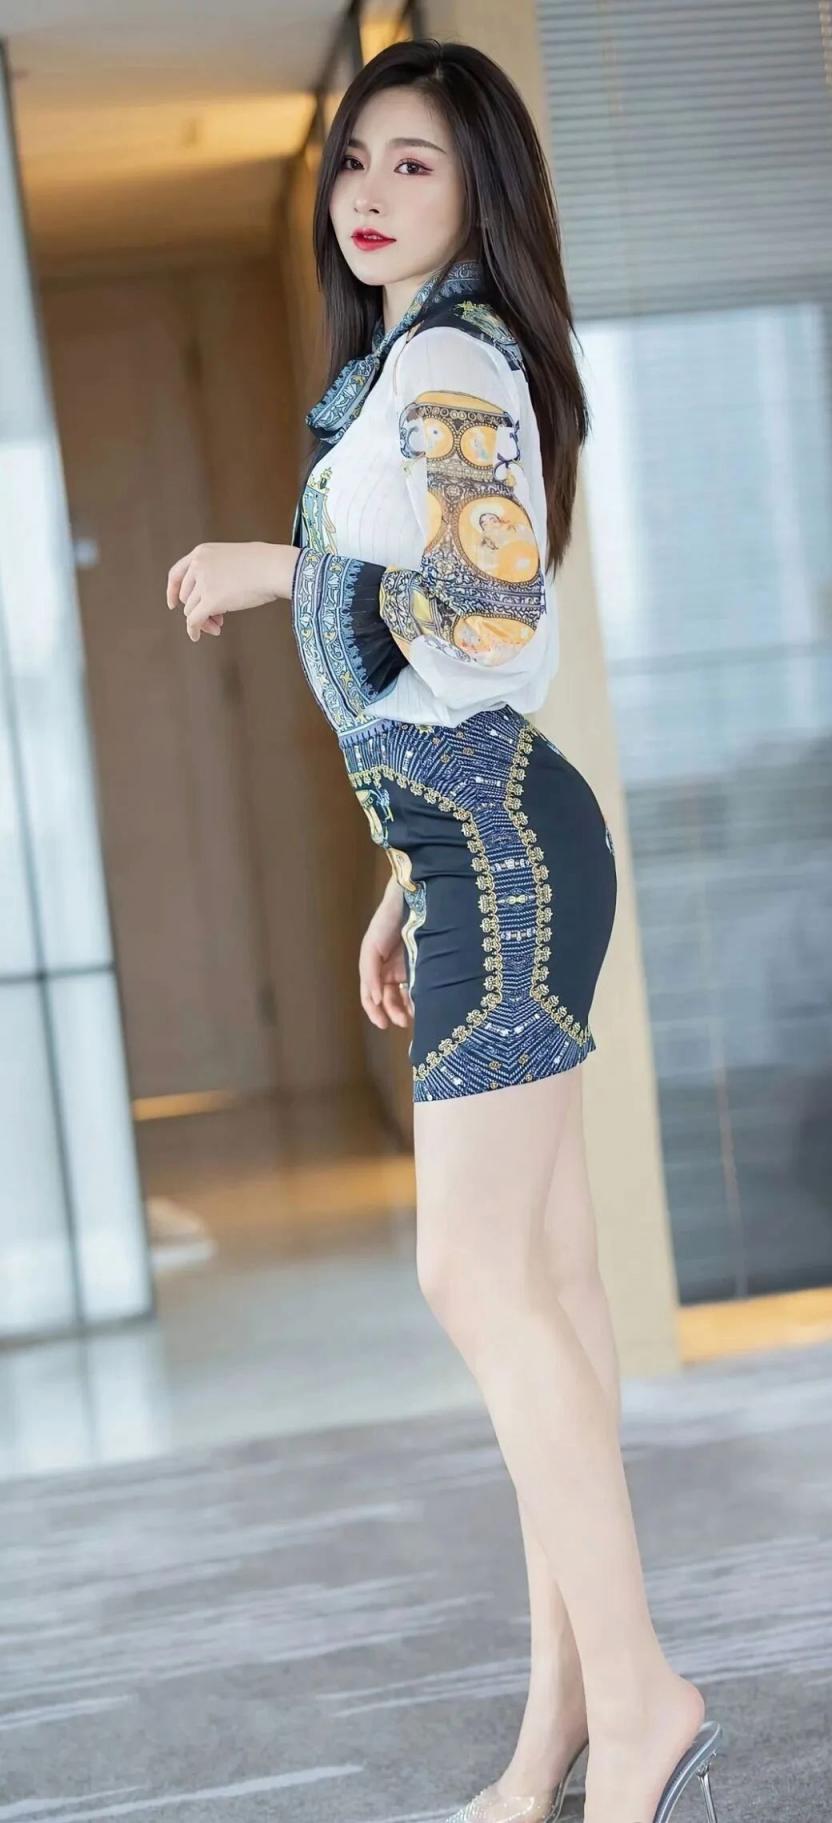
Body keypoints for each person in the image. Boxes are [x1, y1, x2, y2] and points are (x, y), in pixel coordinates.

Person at [166, 36, 723, 1823]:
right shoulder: (419, 366)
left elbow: (488, 613)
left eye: (414, 162)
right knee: (543, 1291)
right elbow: (443, 685)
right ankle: (563, 1728)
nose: (369, 192)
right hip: (476, 846)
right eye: (357, 160)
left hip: (508, 851)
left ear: (481, 187)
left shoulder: (455, 359)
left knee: (474, 1279)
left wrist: (273, 566)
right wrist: (400, 877)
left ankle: (639, 1701)